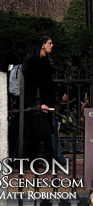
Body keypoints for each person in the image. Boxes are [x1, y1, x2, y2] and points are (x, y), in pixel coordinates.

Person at [21, 34, 67, 162]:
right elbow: (31, 86)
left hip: (47, 101)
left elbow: (48, 81)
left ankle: (53, 157)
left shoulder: (44, 61)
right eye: (49, 43)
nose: (52, 45)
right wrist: (39, 103)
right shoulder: (31, 63)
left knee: (48, 131)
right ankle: (48, 158)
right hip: (37, 102)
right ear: (41, 46)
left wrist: (60, 92)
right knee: (39, 133)